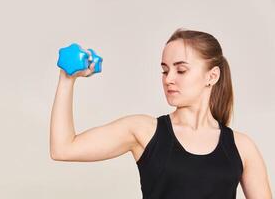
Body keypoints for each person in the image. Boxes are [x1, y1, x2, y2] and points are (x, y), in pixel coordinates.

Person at [50, 28, 272, 198]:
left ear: (212, 76)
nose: (169, 79)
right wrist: (67, 79)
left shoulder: (242, 147)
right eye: (164, 70)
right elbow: (63, 148)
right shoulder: (143, 131)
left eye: (181, 70)